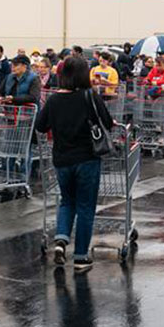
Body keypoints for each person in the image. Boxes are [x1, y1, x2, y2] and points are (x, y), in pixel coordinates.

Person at [34, 55, 112, 272]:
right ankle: (80, 257)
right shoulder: (90, 96)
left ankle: (61, 241)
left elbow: (40, 126)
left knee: (67, 202)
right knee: (86, 207)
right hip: (87, 158)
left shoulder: (53, 99)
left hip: (62, 160)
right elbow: (106, 122)